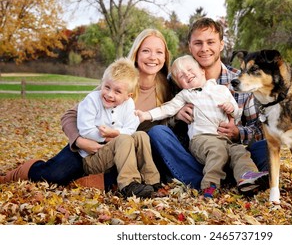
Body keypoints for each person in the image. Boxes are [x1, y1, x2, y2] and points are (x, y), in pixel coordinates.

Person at [0, 29, 172, 192]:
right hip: (90, 146)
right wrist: (79, 141)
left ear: (165, 57)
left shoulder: (168, 89)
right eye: (146, 51)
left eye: (159, 52)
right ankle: (23, 171)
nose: (153, 57)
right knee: (55, 175)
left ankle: (96, 181)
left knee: (122, 168)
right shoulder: (113, 84)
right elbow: (69, 115)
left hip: (124, 152)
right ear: (136, 53)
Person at [147, 17, 269, 191]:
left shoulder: (240, 80)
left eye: (210, 42)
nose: (204, 48)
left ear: (221, 44)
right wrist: (176, 117)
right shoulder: (177, 80)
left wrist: (237, 132)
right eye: (198, 43)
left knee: (265, 147)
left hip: (236, 152)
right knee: (158, 133)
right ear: (190, 47)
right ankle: (205, 182)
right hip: (197, 156)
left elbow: (259, 129)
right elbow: (161, 116)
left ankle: (243, 178)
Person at [136, 55, 268, 198]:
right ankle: (209, 187)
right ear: (180, 85)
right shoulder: (186, 94)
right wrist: (146, 115)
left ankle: (247, 178)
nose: (187, 74)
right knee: (217, 152)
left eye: (190, 69)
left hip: (226, 139)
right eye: (181, 76)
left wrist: (231, 108)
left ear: (202, 71)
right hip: (202, 139)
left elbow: (236, 112)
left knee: (240, 153)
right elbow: (166, 109)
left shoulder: (222, 90)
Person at [77, 57, 160, 198]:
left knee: (141, 135)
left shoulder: (129, 105)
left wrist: (115, 133)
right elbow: (85, 130)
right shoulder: (91, 100)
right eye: (107, 87)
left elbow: (131, 127)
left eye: (117, 91)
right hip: (94, 157)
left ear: (128, 96)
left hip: (117, 152)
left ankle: (151, 181)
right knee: (123, 139)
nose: (109, 94)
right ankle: (128, 185)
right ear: (102, 84)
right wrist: (106, 136)